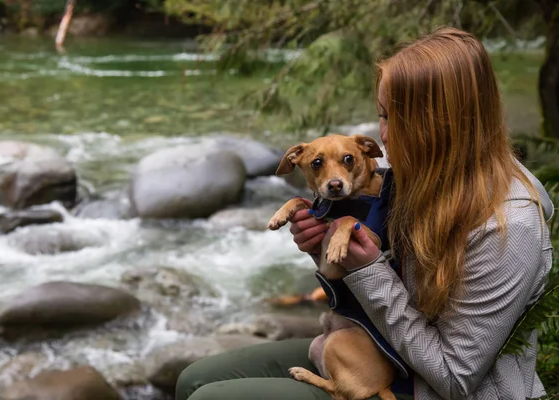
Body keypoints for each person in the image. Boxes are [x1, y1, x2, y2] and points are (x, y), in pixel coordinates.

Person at [175, 27, 554, 400]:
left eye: (395, 119)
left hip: (425, 387)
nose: (383, 135)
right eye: (382, 115)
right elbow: (381, 264)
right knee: (194, 378)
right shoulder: (417, 179)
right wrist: (322, 248)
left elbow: (455, 379)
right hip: (379, 345)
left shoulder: (510, 226)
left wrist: (367, 269)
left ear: (444, 123)